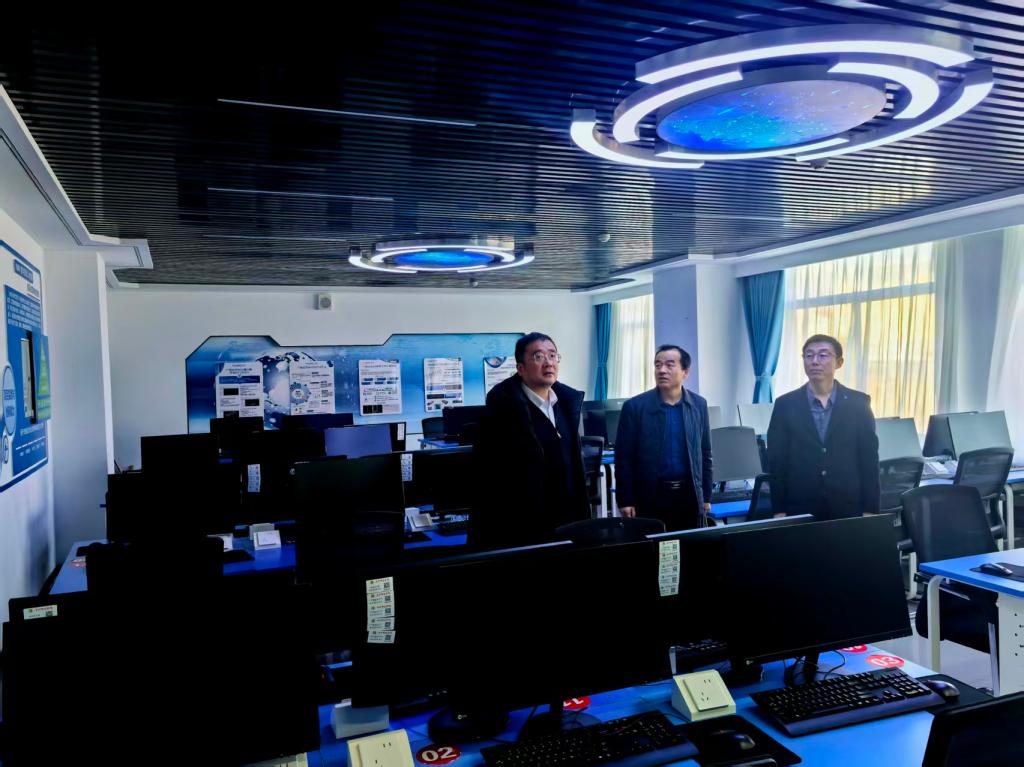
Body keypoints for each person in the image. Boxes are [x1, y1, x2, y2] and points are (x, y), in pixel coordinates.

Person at [469, 332, 590, 548]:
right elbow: (489, 478)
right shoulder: (502, 409)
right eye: (538, 356)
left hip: (567, 521)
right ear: (521, 368)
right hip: (523, 527)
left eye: (552, 355)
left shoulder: (566, 404)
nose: (548, 363)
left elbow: (574, 468)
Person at [767, 334, 879, 520]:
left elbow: (869, 460)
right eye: (809, 355)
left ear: (839, 362)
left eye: (823, 355)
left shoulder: (859, 403)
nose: (815, 361)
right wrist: (779, 510)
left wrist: (871, 509)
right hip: (800, 507)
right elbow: (777, 462)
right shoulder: (785, 405)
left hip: (848, 506)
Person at [614, 345, 713, 531]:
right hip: (650, 495)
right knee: (653, 546)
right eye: (657, 365)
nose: (662, 370)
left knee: (689, 545)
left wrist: (706, 496)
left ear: (685, 372)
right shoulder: (635, 407)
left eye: (669, 365)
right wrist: (625, 499)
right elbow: (623, 458)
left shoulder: (698, 405)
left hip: (689, 494)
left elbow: (705, 453)